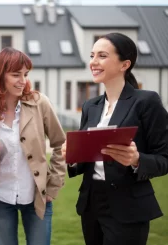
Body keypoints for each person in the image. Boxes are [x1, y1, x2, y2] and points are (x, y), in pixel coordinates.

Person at [62, 32, 168, 245]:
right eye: (92, 55)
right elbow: (86, 159)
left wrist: (137, 160)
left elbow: (164, 158)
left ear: (124, 64)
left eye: (102, 56)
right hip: (91, 205)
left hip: (128, 206)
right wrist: (72, 156)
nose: (93, 62)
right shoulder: (91, 107)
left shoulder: (146, 101)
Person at [0, 47, 67, 245]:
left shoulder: (40, 103)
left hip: (37, 196)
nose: (23, 80)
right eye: (16, 74)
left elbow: (60, 144)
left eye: (25, 74)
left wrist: (53, 186)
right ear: (0, 75)